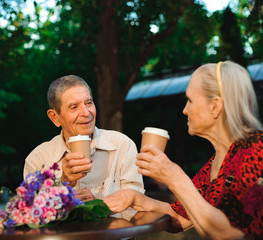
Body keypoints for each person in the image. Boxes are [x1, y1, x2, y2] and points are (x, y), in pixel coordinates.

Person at [103, 61, 263, 240]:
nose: (185, 110)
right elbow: (182, 217)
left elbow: (231, 234)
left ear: (215, 106)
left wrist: (174, 178)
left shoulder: (255, 150)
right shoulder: (218, 160)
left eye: (190, 100)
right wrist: (137, 198)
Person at [23, 75, 144, 201]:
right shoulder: (37, 159)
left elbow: (137, 208)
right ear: (55, 117)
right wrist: (64, 184)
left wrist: (98, 206)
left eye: (88, 103)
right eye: (74, 107)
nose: (86, 113)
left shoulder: (122, 145)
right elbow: (33, 214)